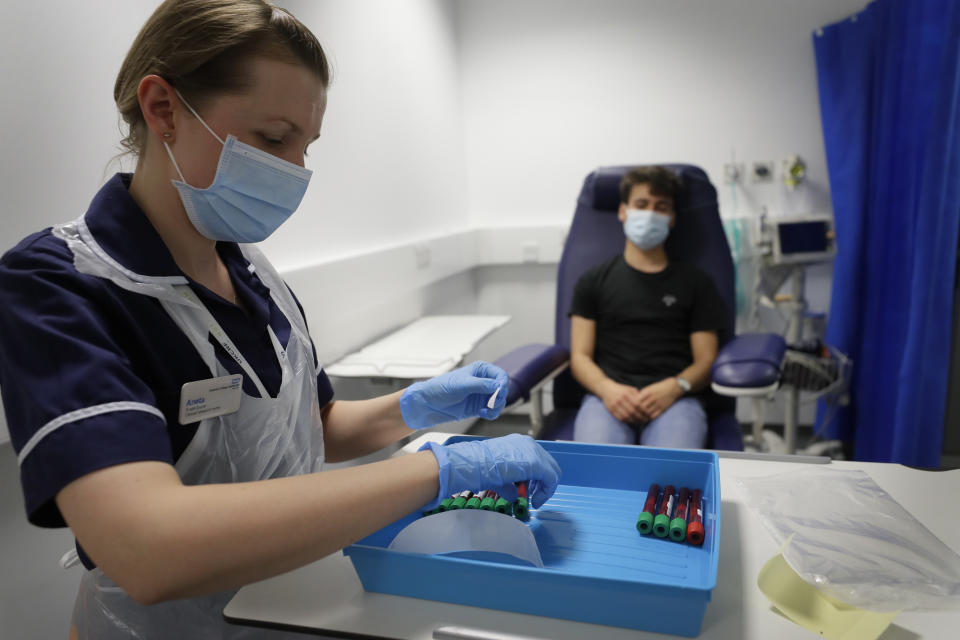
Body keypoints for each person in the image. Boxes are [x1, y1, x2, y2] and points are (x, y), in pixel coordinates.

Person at [0, 2, 561, 637]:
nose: (295, 170)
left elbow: (308, 429)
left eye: (305, 144)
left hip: (291, 604)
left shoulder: (252, 271)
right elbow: (145, 548)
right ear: (162, 109)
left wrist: (415, 408)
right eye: (273, 138)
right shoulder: (60, 285)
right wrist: (438, 471)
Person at [569, 166, 727, 448]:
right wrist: (607, 390)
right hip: (607, 398)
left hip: (676, 400)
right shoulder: (593, 280)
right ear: (623, 211)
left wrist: (675, 387)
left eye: (661, 206)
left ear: (672, 218)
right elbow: (580, 356)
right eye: (641, 204)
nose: (650, 213)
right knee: (598, 476)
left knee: (670, 481)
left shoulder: (696, 283)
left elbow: (706, 360)